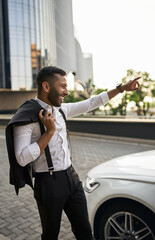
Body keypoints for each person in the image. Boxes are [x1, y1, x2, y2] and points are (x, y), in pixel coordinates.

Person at [6, 66, 140, 240]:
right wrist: (49, 132)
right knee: (50, 234)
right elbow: (22, 159)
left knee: (85, 231)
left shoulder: (62, 109)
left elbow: (92, 102)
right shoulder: (27, 116)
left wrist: (121, 88)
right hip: (48, 183)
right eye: (62, 86)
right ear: (46, 87)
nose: (66, 92)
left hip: (72, 178)